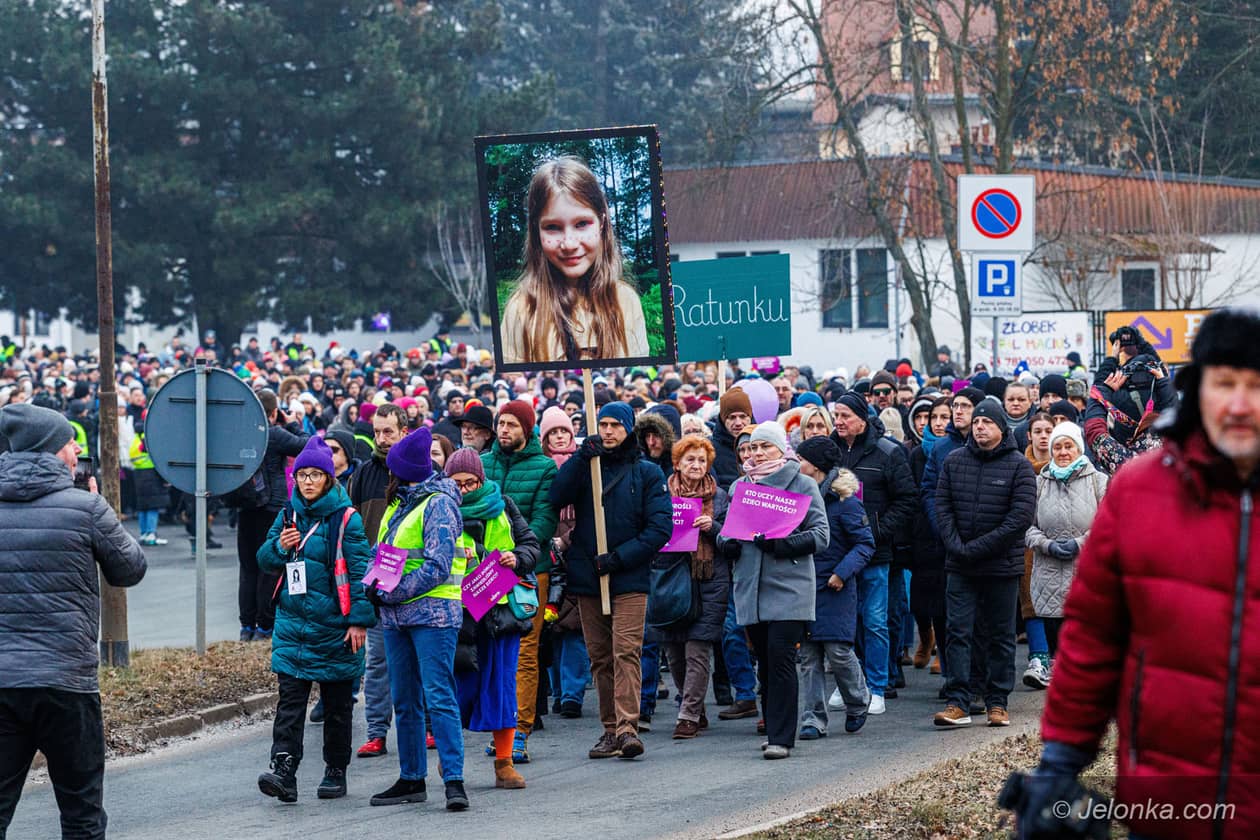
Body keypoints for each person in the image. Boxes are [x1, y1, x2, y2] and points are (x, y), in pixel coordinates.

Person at [1010, 308, 1260, 839]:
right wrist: (1059, 763)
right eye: (1225, 384)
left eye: (1256, 386)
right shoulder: (1140, 490)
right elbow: (1093, 638)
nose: (1240, 404)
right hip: (1167, 799)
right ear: (1197, 392)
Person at [0, 403, 147, 839]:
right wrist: (101, 507)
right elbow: (130, 569)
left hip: (3, 681)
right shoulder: (85, 508)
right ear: (51, 451)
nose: (75, 453)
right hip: (67, 685)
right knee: (82, 814)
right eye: (70, 444)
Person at [255, 437, 376, 803]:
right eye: (302, 475)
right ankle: (284, 771)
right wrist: (280, 547)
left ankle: (335, 770)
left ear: (328, 478)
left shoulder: (346, 518)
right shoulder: (287, 514)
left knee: (338, 707)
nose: (307, 481)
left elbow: (360, 572)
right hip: (293, 626)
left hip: (336, 628)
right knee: (289, 704)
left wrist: (358, 622)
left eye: (315, 475)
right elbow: (264, 559)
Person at [549, 401, 672, 760]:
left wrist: (618, 558)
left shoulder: (647, 473)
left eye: (614, 425)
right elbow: (557, 496)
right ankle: (608, 729)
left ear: (628, 428)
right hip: (588, 577)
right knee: (600, 657)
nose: (607, 431)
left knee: (626, 652)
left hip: (628, 577)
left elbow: (659, 528)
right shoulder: (588, 467)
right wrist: (577, 459)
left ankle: (627, 728)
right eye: (601, 425)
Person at [367, 427, 469, 811]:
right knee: (405, 700)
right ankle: (412, 777)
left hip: (433, 615)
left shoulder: (439, 504)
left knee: (438, 697)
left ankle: (454, 779)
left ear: (405, 469)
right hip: (395, 618)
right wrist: (371, 582)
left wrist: (391, 591)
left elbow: (438, 565)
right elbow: (385, 555)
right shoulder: (399, 503)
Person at [718, 422, 829, 759]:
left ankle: (782, 737)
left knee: (781, 658)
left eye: (764, 446)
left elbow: (821, 536)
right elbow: (724, 531)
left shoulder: (803, 484)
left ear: (781, 448)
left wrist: (784, 544)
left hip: (789, 587)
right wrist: (728, 545)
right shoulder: (740, 486)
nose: (756, 453)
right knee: (764, 662)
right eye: (751, 448)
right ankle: (774, 727)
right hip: (750, 587)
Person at [932, 400, 1037, 728]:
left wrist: (976, 548)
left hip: (1000, 565)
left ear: (1001, 427)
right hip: (960, 564)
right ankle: (959, 700)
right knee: (958, 631)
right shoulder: (954, 461)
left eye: (987, 422)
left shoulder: (1018, 465)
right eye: (976, 422)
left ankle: (997, 701)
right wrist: (957, 546)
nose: (979, 427)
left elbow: (1018, 519)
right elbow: (942, 506)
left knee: (1001, 635)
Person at [445, 448, 539, 791]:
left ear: (481, 480)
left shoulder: (504, 505)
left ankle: (504, 764)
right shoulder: (440, 511)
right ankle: (450, 757)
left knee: (501, 689)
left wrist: (518, 557)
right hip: (460, 613)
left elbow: (531, 544)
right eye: (458, 483)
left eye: (471, 482)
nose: (466, 489)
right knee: (460, 689)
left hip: (500, 614)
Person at [499, 156, 649, 364]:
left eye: (581, 224)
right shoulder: (521, 310)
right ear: (536, 231)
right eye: (552, 227)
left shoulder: (625, 301)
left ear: (601, 223)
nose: (569, 244)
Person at [479, 399, 558, 763]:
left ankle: (520, 730)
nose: (505, 430)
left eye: (512, 424)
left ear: (527, 430)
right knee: (490, 651)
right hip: (485, 571)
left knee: (525, 651)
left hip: (528, 569)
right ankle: (498, 726)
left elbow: (544, 520)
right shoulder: (483, 463)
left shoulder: (544, 468)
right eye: (501, 423)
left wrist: (517, 552)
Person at [830, 391, 917, 714]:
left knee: (875, 621)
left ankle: (876, 686)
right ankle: (848, 684)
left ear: (862, 418)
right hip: (838, 554)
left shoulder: (887, 453)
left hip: (875, 553)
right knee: (844, 623)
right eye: (836, 415)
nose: (839, 421)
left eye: (845, 416)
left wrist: (876, 532)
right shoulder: (830, 452)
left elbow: (907, 500)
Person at [651, 436, 730, 740]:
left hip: (710, 579)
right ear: (677, 463)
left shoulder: (720, 497)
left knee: (698, 648)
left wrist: (713, 528)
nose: (696, 465)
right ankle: (693, 705)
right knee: (673, 651)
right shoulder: (661, 496)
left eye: (701, 460)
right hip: (670, 579)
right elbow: (650, 532)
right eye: (690, 459)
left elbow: (733, 541)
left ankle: (688, 715)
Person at [795, 437, 874, 739]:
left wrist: (842, 573)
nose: (796, 464)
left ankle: (857, 701)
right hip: (804, 585)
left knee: (838, 651)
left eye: (800, 459)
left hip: (835, 588)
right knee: (809, 656)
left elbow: (864, 544)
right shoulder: (798, 496)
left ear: (814, 465)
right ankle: (813, 718)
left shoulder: (846, 502)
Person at [348, 402, 409, 758]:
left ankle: (426, 727)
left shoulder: (420, 470)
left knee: (417, 665)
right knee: (377, 665)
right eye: (377, 432)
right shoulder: (363, 475)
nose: (381, 438)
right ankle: (376, 732)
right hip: (376, 585)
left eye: (388, 431)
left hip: (416, 587)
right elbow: (354, 531)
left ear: (403, 430)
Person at [1024, 421, 1105, 676]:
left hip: (1086, 571)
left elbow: (1110, 524)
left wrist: (1079, 544)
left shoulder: (1099, 481)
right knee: (1057, 644)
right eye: (1057, 447)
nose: (1062, 452)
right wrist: (1046, 544)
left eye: (1068, 446)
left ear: (1079, 449)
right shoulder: (1040, 483)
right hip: (1048, 573)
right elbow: (1027, 527)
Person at [236, 390, 308, 642]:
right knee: (270, 567)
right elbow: (308, 445)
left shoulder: (240, 434)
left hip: (245, 508)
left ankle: (246, 626)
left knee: (247, 569)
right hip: (272, 509)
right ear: (273, 412)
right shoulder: (273, 434)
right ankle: (265, 626)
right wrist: (292, 423)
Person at [909, 396, 952, 678]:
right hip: (924, 534)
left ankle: (943, 657)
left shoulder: (958, 449)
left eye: (942, 417)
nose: (936, 423)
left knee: (947, 605)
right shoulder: (916, 455)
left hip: (951, 535)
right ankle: (927, 638)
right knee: (921, 602)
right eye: (932, 417)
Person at [1020, 412, 1055, 690]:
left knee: (1059, 602)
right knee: (1031, 601)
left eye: (1048, 430)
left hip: (1061, 545)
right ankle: (1038, 658)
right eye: (1038, 431)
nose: (1043, 436)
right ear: (1029, 435)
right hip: (1028, 545)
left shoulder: (1067, 463)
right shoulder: (1020, 466)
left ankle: (1058, 659)